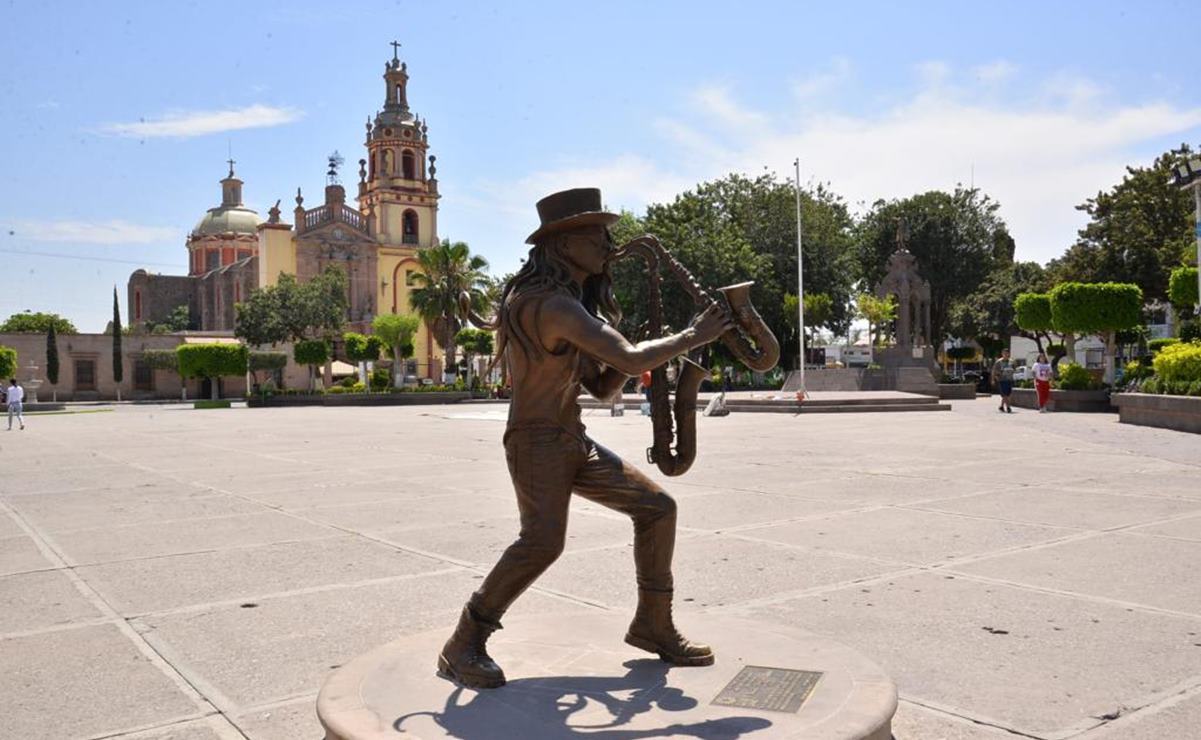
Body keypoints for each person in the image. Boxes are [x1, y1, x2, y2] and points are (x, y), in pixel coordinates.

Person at [438, 188, 733, 689]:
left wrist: (627, 348)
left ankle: (652, 624)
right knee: (541, 543)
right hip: (537, 443)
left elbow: (603, 387)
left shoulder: (569, 306)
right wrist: (690, 336)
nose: (606, 245)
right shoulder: (549, 304)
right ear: (563, 245)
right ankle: (462, 644)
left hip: (570, 439)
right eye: (595, 236)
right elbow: (633, 361)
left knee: (657, 508)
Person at [991, 349, 1015, 413]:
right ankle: (1008, 407)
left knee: (1008, 394)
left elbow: (1014, 369)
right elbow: (994, 371)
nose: (1006, 355)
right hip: (1002, 380)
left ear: (1009, 354)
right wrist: (993, 379)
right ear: (1002, 354)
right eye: (1004, 353)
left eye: (1007, 353)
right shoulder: (999, 362)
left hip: (1010, 379)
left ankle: (1001, 406)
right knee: (1005, 394)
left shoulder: (1011, 361)